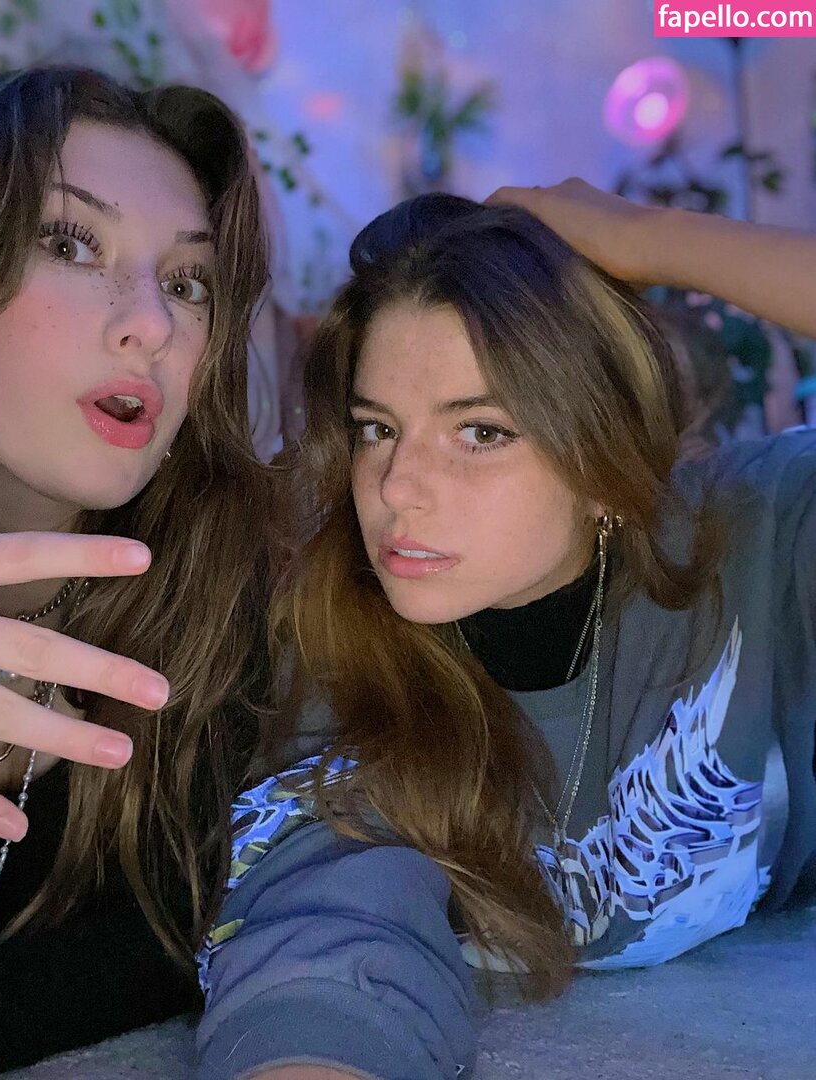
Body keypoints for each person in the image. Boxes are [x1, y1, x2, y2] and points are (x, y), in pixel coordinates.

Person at [194, 185, 816, 1080]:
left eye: (480, 432)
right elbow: (327, 955)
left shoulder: (755, 538)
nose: (397, 487)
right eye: (377, 428)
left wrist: (651, 237)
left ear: (601, 460)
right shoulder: (328, 639)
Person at [0, 66, 272, 1078]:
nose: (154, 324)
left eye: (187, 282)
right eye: (69, 242)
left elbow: (170, 942)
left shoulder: (227, 595)